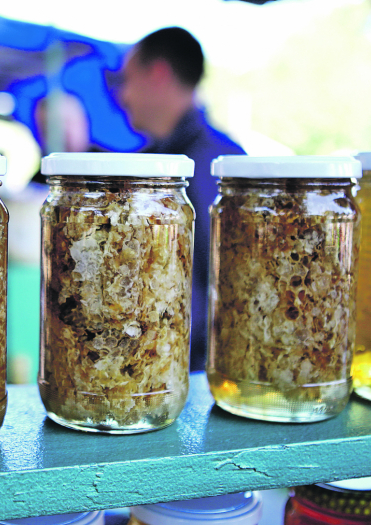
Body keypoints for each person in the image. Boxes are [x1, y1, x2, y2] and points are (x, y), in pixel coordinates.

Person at [119, 26, 246, 371]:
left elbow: (221, 286)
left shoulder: (218, 165)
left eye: (127, 80)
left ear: (157, 73)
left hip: (190, 372)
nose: (124, 96)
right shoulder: (151, 158)